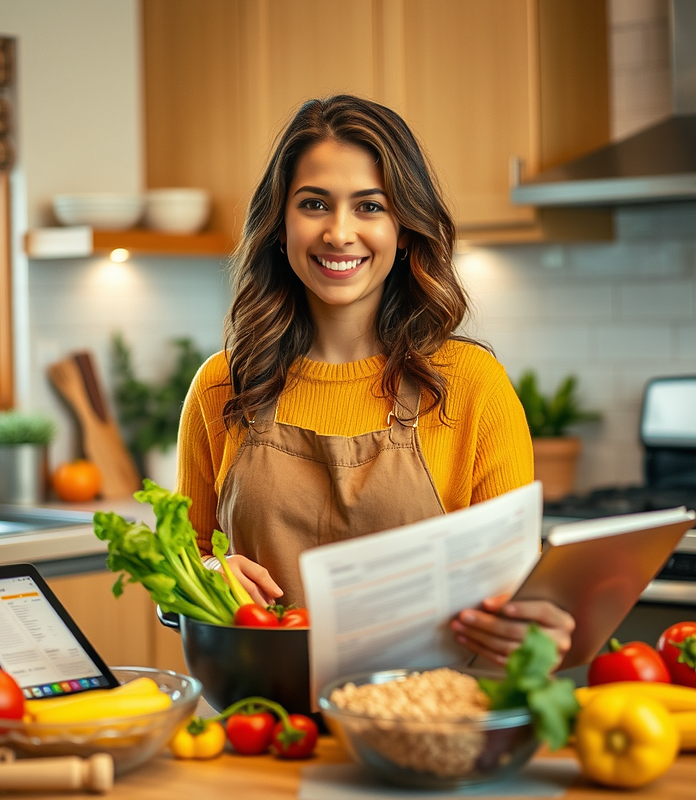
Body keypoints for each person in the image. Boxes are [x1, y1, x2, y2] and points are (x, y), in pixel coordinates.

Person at [177, 94, 574, 668]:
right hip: (263, 722)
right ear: (278, 224)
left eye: (369, 207)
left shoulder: (471, 385)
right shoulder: (222, 385)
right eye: (314, 203)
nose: (339, 233)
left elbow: (512, 588)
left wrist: (535, 620)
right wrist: (209, 575)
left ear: (405, 229)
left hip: (424, 722)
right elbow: (178, 577)